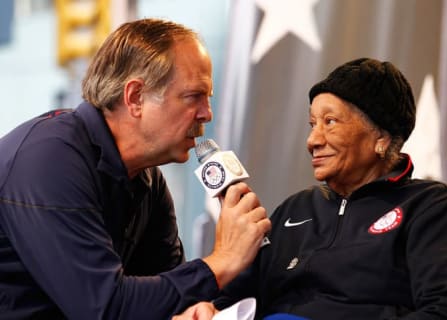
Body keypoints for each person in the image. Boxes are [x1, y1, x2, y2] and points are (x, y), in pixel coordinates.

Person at [0, 18, 271, 319]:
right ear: (135, 98)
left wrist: (195, 309)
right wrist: (222, 260)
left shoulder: (147, 179)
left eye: (208, 98)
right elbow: (105, 307)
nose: (207, 113)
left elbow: (167, 291)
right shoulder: (49, 160)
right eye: (194, 96)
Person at [175, 58, 447, 319]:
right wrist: (208, 308)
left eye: (330, 122)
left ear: (382, 138)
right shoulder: (294, 210)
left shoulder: (430, 207)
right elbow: (235, 299)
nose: (312, 141)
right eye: (312, 124)